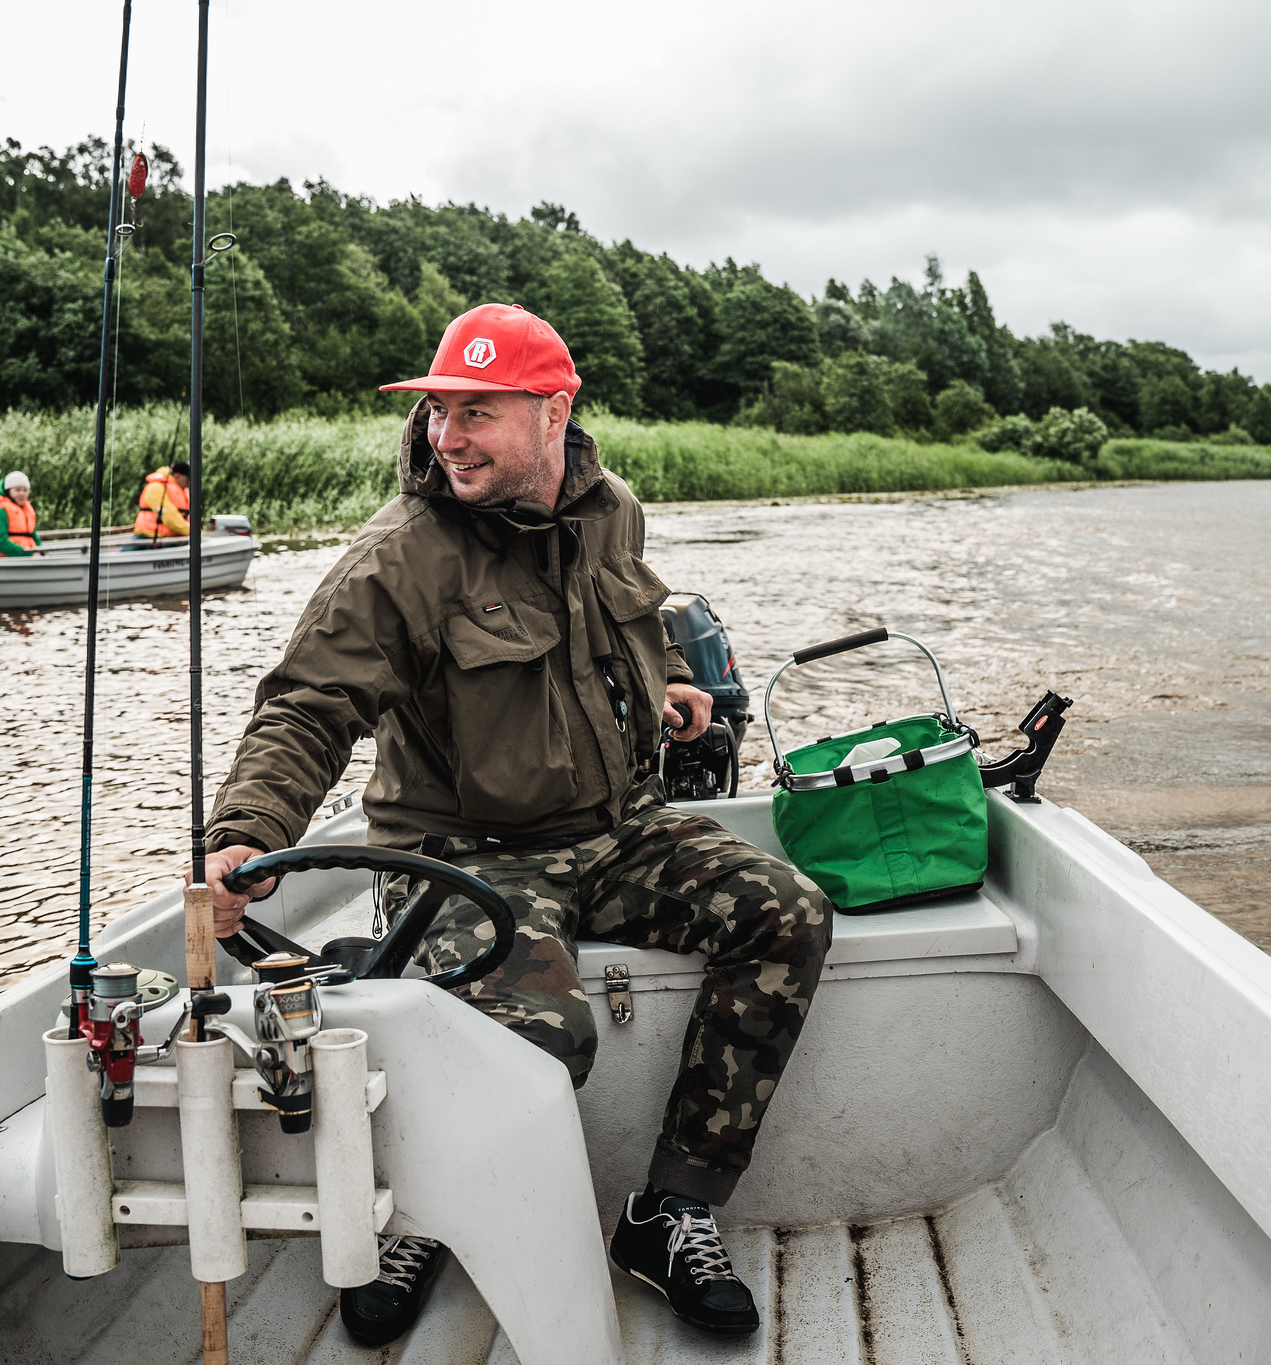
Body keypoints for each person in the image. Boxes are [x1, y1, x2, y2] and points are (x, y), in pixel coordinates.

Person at [201, 304, 832, 1345]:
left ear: (554, 412)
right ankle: (428, 1212)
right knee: (536, 1035)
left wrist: (671, 680)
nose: (449, 435)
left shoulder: (609, 510)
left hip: (618, 825)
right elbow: (308, 704)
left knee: (786, 914)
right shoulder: (401, 555)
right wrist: (243, 831)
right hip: (459, 851)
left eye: (477, 413)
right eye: (440, 410)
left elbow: (639, 611)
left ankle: (668, 1210)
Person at [0, 471, 41, 557]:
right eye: (17, 490)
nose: (22, 493)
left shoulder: (26, 510)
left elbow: (34, 536)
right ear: (8, 491)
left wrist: (41, 552)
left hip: (23, 559)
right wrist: (29, 554)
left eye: (25, 490)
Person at [134, 459, 191, 543]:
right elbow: (170, 517)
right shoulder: (156, 487)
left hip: (171, 538)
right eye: (188, 479)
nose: (190, 482)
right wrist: (195, 532)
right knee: (123, 556)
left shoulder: (184, 490)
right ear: (177, 476)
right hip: (148, 537)